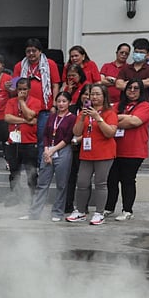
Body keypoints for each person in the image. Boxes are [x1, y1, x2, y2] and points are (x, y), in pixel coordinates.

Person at [66, 84, 117, 225]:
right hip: (87, 152)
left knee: (100, 183)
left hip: (104, 153)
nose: (94, 97)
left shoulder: (110, 113)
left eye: (97, 94)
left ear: (104, 96)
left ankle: (99, 213)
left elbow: (110, 133)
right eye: (91, 94)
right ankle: (80, 211)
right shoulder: (84, 112)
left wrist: (97, 117)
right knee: (82, 182)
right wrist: (82, 118)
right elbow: (76, 132)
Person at [20, 92, 75, 221]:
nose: (61, 104)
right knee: (42, 183)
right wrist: (46, 150)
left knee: (61, 184)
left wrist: (53, 150)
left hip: (62, 150)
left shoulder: (72, 118)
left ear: (69, 103)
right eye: (59, 101)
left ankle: (57, 212)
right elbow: (45, 134)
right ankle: (34, 213)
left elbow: (68, 138)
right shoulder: (52, 116)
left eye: (64, 101)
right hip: (48, 150)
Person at [104, 79, 149, 221]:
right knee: (111, 180)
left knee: (127, 180)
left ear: (141, 91)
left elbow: (134, 122)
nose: (132, 91)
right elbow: (106, 120)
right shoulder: (117, 105)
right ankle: (109, 208)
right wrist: (126, 117)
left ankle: (127, 210)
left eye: (136, 88)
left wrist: (117, 119)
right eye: (129, 88)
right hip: (114, 149)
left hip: (134, 150)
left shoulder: (145, 106)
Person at [11, 38, 61, 163]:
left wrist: (54, 105)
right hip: (25, 109)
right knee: (25, 138)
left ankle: (41, 165)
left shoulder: (50, 64)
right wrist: (9, 86)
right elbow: (13, 88)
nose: (31, 54)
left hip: (44, 109)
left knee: (42, 138)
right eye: (28, 51)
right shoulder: (19, 66)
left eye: (34, 51)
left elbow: (55, 85)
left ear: (40, 51)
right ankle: (28, 165)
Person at [3, 78, 42, 205]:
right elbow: (7, 117)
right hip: (14, 142)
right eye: (19, 89)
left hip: (29, 142)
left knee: (32, 172)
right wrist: (25, 121)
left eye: (24, 89)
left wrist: (21, 102)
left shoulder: (36, 101)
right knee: (14, 171)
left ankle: (33, 199)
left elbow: (30, 115)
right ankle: (15, 196)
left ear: (29, 89)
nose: (22, 92)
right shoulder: (10, 101)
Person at [65, 83, 92, 214]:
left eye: (91, 95)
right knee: (70, 176)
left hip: (86, 146)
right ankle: (68, 205)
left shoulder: (94, 112)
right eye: (85, 94)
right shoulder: (71, 109)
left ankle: (83, 206)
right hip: (69, 145)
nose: (87, 97)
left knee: (84, 178)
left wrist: (78, 139)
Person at [115, 38, 149, 102]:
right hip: (125, 103)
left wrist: (127, 83)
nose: (138, 54)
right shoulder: (125, 68)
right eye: (136, 52)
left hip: (144, 104)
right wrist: (141, 84)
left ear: (147, 55)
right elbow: (118, 85)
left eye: (141, 52)